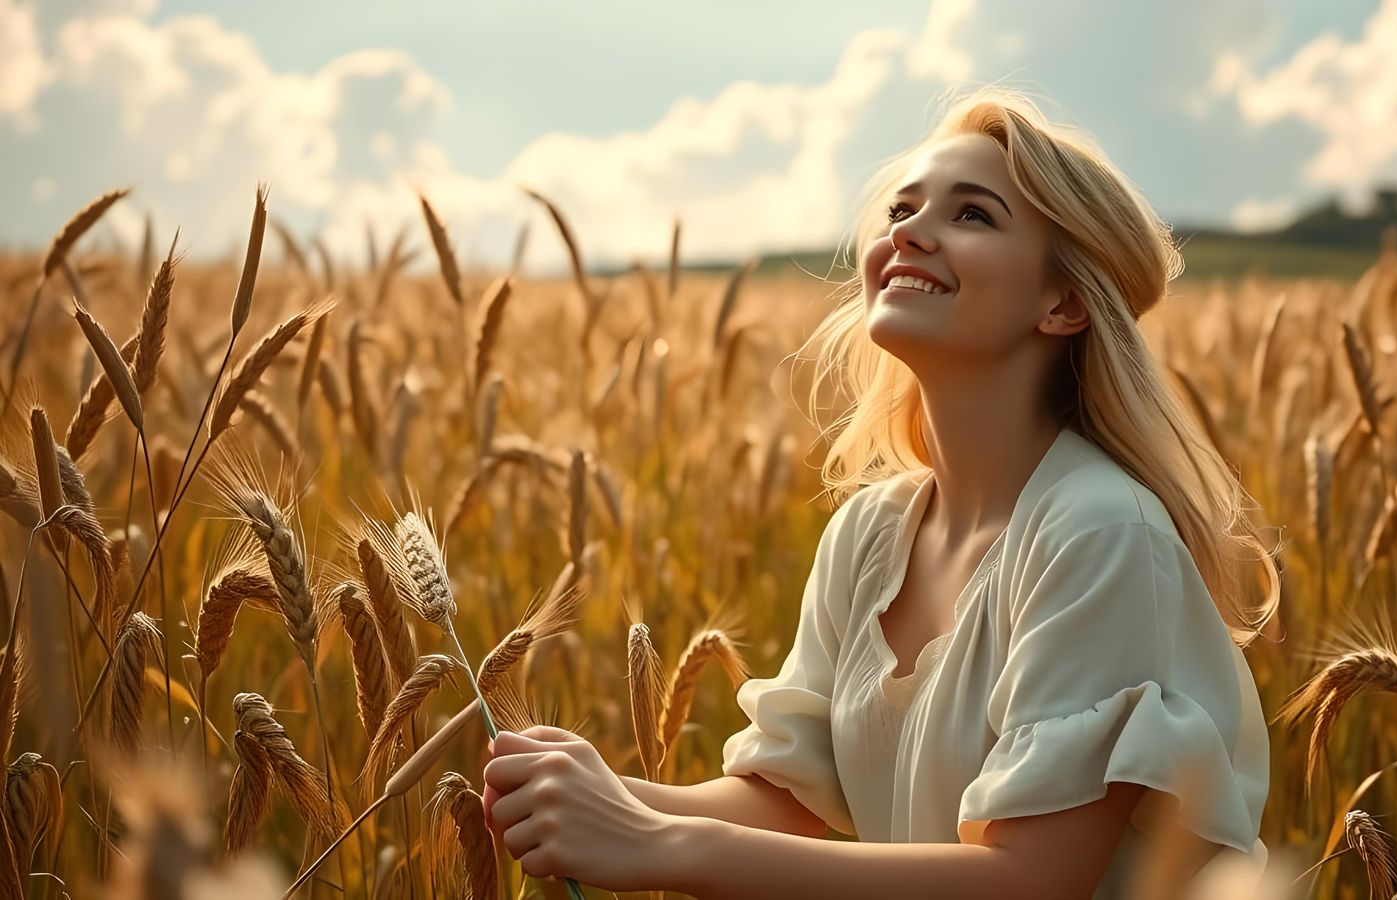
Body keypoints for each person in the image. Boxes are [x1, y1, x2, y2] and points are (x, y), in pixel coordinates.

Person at [482, 84, 1284, 899]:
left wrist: (663, 845)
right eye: (902, 209)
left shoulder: (1101, 532)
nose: (909, 231)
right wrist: (596, 795)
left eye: (971, 214)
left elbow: (1029, 880)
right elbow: (781, 803)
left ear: (1065, 302)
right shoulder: (871, 533)